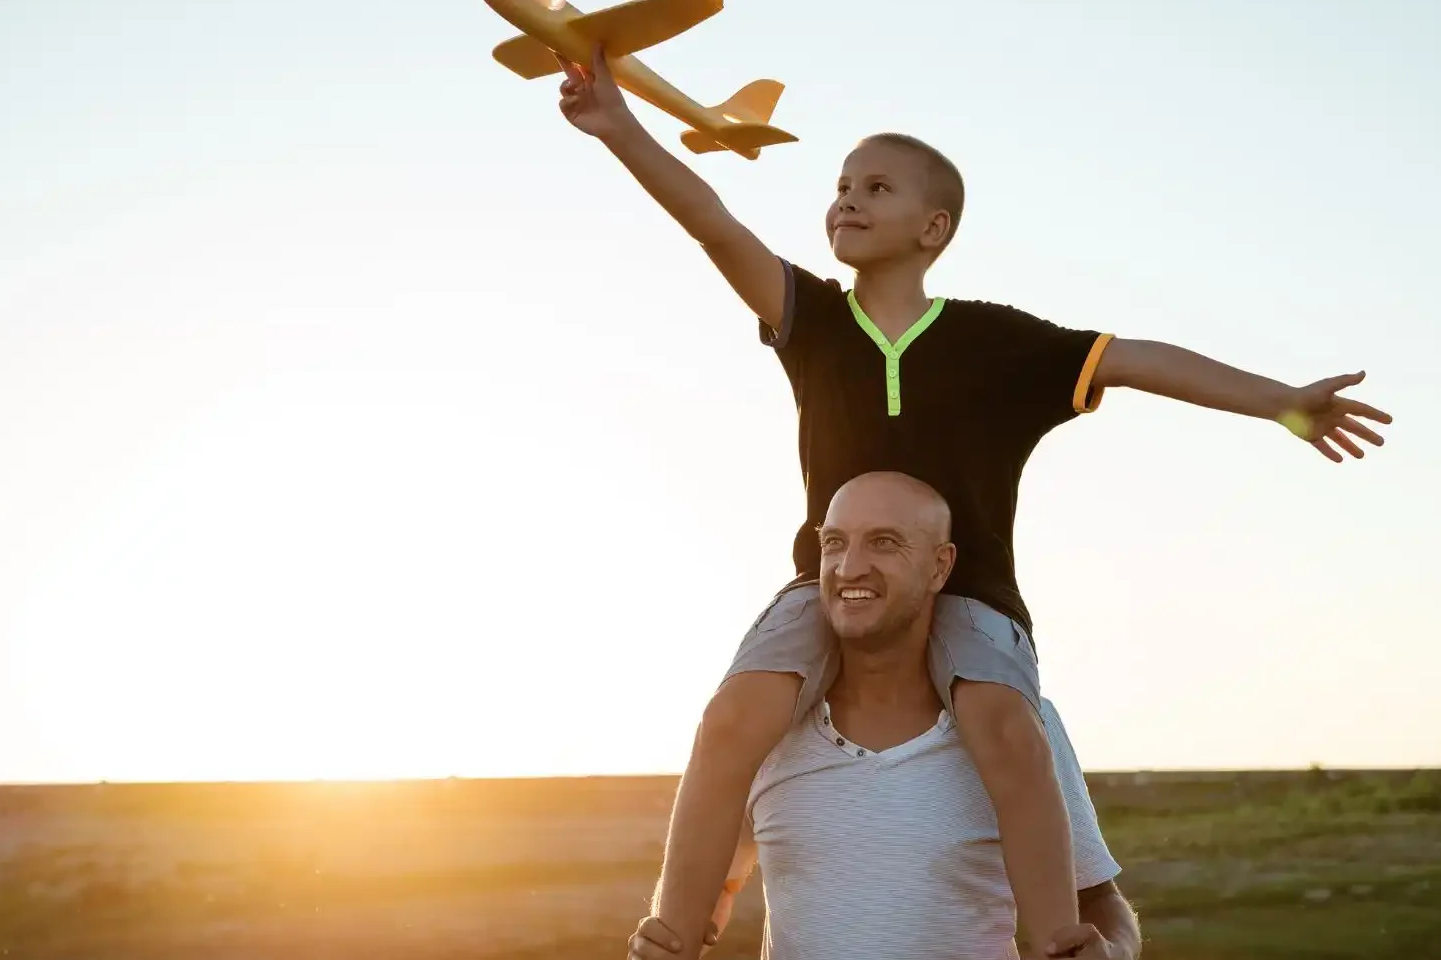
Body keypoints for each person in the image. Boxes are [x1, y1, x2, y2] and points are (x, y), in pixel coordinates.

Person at [549, 43, 1393, 956]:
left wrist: (1281, 403)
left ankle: (1056, 942)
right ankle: (673, 936)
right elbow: (712, 222)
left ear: (934, 227)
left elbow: (1141, 360)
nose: (846, 199)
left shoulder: (999, 343)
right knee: (732, 713)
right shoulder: (815, 323)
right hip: (833, 586)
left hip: (976, 594)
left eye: (876, 187)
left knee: (1003, 725)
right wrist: (618, 128)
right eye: (840, 185)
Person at [628, 472, 1142, 960]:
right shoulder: (769, 726)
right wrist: (666, 933)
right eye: (834, 543)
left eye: (884, 543)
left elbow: (1098, 901)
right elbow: (722, 877)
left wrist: (1114, 949)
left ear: (940, 566)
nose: (849, 567)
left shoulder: (1018, 726)